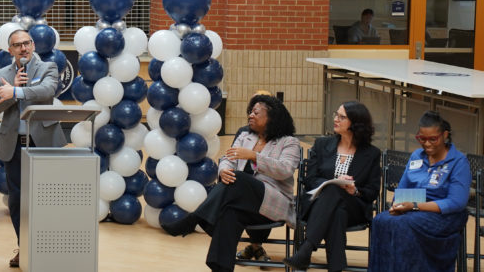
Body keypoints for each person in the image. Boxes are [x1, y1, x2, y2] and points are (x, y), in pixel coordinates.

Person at [165, 95, 299, 272]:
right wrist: (223, 171)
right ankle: (220, 268)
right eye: (250, 112)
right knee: (229, 213)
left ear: (272, 118)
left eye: (256, 113)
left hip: (273, 203)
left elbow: (285, 170)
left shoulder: (289, 142)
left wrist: (253, 156)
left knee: (240, 178)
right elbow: (227, 159)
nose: (250, 115)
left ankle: (194, 218)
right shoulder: (245, 137)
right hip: (243, 203)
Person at [0, 29, 67, 268]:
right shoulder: (2, 73)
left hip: (44, 142)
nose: (23, 48)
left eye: (27, 43)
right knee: (18, 200)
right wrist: (10, 90)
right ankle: (25, 246)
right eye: (17, 45)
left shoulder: (48, 67)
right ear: (9, 50)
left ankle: (50, 247)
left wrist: (17, 91)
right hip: (15, 145)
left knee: (48, 198)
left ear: (33, 45)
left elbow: (47, 91)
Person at [284, 101, 381, 271]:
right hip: (320, 204)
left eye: (342, 117)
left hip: (354, 207)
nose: (336, 119)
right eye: (336, 115)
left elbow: (372, 191)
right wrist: (332, 183)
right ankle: (335, 267)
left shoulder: (371, 153)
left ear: (355, 123)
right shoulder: (322, 145)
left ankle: (307, 248)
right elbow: (310, 179)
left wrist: (355, 190)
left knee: (337, 196)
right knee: (337, 210)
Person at [368, 111, 470, 271]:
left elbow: (457, 202)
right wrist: (399, 206)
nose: (427, 144)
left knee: (404, 225)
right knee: (381, 220)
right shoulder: (417, 156)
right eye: (422, 139)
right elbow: (402, 189)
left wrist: (415, 206)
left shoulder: (458, 161)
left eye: (432, 139)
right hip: (412, 209)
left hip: (444, 215)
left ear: (445, 135)